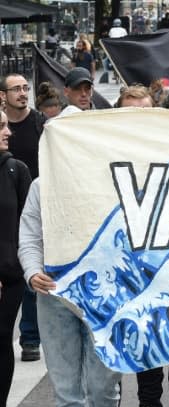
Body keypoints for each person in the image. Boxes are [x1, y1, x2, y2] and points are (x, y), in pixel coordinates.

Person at [18, 67, 122, 407]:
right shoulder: (41, 188)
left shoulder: (108, 186)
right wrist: (31, 272)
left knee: (101, 386)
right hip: (54, 300)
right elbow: (29, 236)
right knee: (66, 389)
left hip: (99, 301)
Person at [0, 74, 47, 363]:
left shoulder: (40, 124)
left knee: (28, 268)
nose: (22, 93)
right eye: (16, 89)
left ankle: (30, 337)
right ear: (3, 95)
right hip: (9, 197)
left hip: (30, 201)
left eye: (25, 88)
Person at [0, 110, 32, 407]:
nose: (7, 132)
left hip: (9, 276)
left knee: (1, 341)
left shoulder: (16, 170)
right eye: (1, 126)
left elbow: (27, 226)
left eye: (7, 125)